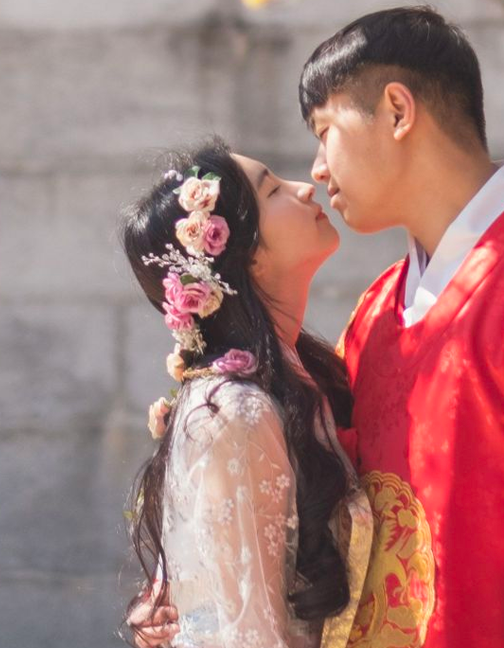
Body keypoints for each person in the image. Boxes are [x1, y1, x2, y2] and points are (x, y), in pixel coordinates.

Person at [136, 5, 504, 648]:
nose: (317, 170)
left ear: (398, 112)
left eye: (326, 132)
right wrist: (209, 584)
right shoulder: (376, 312)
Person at [123, 140, 373, 648]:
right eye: (275, 190)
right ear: (247, 254)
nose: (307, 188)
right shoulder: (234, 411)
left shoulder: (301, 379)